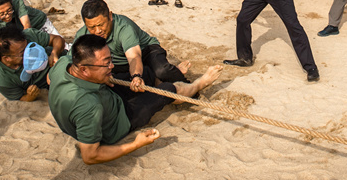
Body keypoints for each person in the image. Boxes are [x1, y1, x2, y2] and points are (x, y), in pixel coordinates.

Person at [48, 34, 223, 164]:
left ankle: (167, 77)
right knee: (168, 90)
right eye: (106, 63)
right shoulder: (88, 106)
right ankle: (199, 84)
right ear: (84, 70)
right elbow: (90, 156)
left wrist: (99, 78)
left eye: (110, 60)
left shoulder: (64, 64)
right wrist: (136, 144)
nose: (112, 66)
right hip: (121, 119)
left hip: (105, 95)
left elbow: (50, 78)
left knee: (145, 73)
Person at [72, 0, 190, 90]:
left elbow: (134, 56)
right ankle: (155, 76)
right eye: (92, 27)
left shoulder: (124, 27)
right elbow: (71, 62)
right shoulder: (82, 35)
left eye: (101, 25)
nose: (98, 31)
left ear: (110, 16)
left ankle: (187, 84)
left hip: (145, 52)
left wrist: (136, 76)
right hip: (118, 64)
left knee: (162, 71)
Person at [0, 25, 65, 101]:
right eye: (22, 52)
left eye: (28, 46)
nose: (29, 51)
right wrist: (30, 96)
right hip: (52, 84)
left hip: (62, 61)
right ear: (7, 58)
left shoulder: (29, 35)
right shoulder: (2, 79)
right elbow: (20, 98)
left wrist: (54, 53)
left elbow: (57, 39)